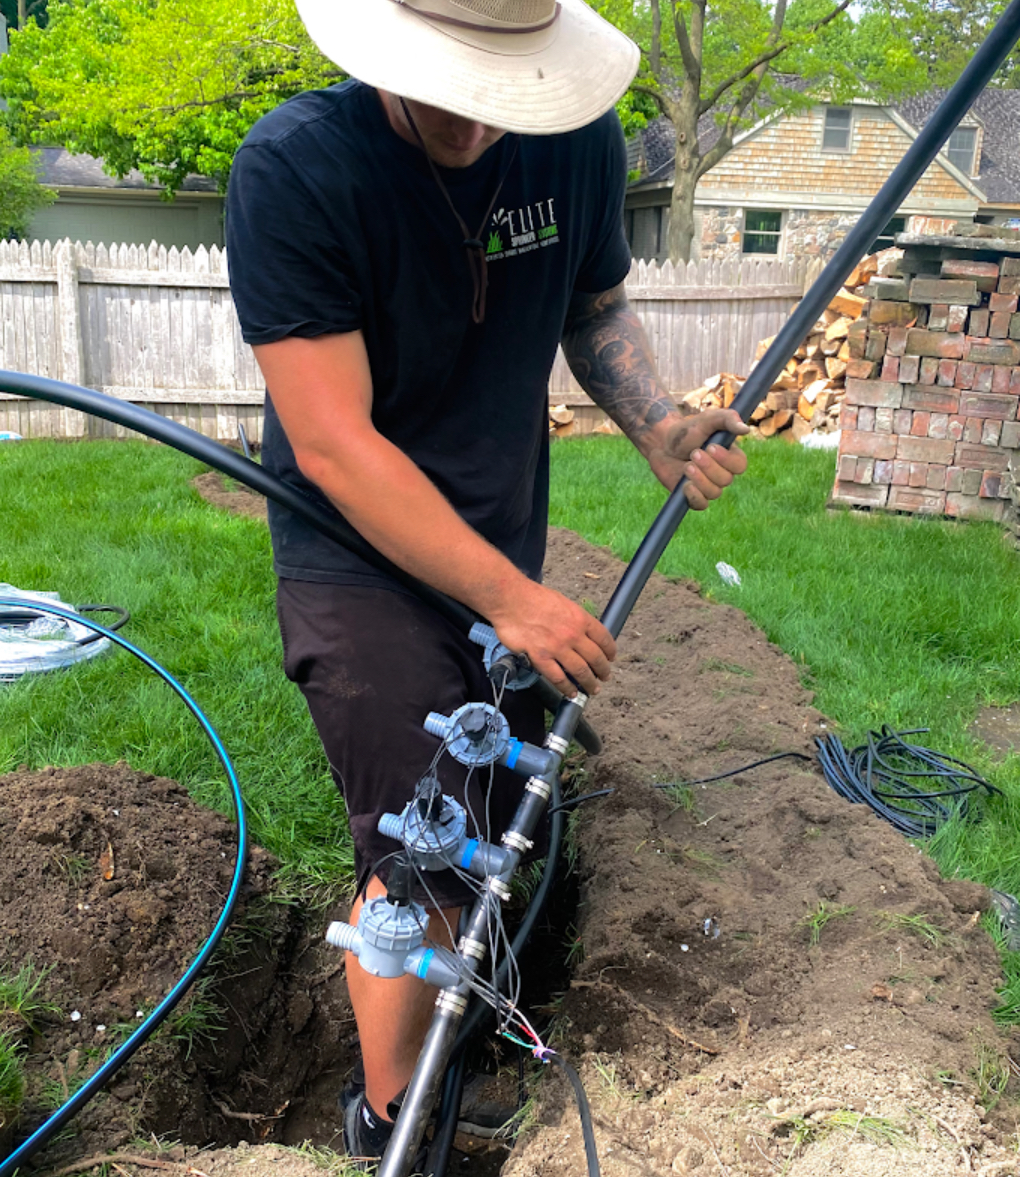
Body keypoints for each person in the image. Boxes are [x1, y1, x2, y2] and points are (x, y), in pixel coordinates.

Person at [225, 0, 750, 1163]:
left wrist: (657, 423)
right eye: (452, 83)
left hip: (499, 543)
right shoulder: (299, 171)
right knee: (424, 841)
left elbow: (594, 304)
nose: (477, 116)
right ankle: (393, 1118)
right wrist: (515, 603)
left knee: (509, 819)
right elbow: (334, 444)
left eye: (502, 86)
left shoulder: (576, 139)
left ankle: (476, 1019)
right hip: (353, 556)